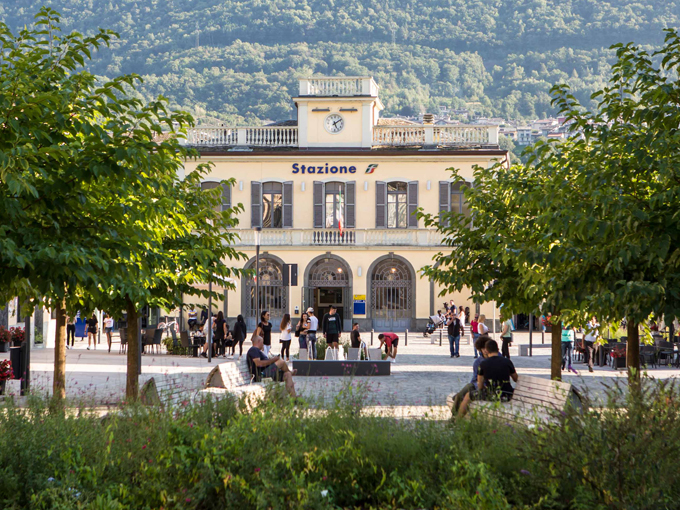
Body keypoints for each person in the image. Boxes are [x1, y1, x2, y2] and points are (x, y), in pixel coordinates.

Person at [458, 339, 518, 418]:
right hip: (508, 394)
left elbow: (479, 386)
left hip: (492, 394)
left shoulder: (483, 364)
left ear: (486, 350)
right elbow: (516, 379)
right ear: (498, 349)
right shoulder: (507, 361)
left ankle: (457, 420)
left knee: (468, 395)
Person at [450, 335, 491, 412]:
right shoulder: (478, 362)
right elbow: (475, 378)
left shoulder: (495, 358)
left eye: (486, 348)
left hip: (485, 387)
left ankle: (455, 415)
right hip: (476, 384)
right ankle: (454, 416)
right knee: (460, 396)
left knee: (462, 396)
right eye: (482, 348)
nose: (485, 350)